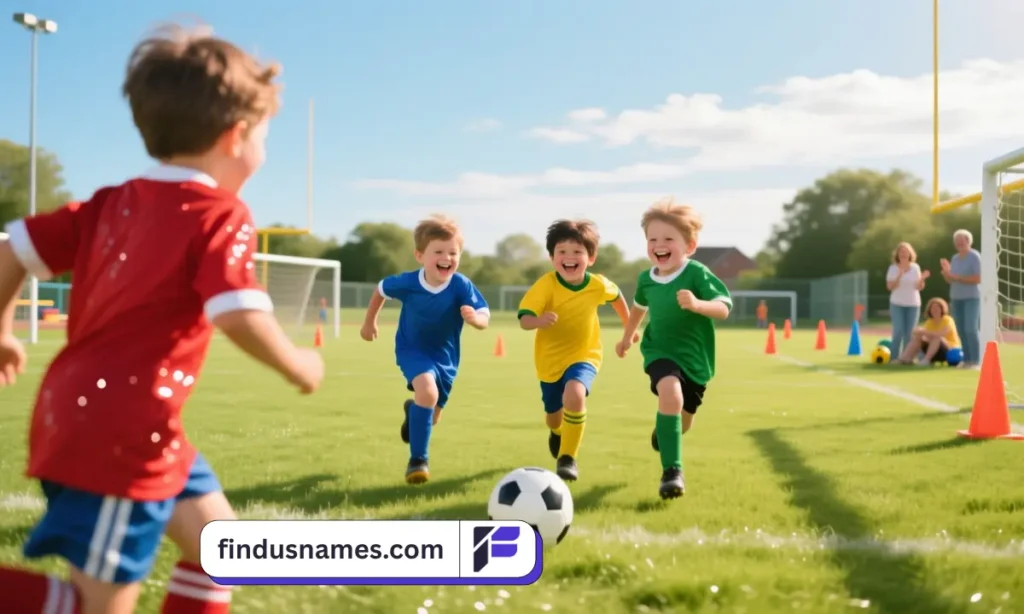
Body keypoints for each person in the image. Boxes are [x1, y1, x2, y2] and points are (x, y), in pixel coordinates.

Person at [0, 23, 325, 614]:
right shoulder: (219, 213)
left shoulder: (107, 203)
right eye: (266, 137)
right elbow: (237, 311)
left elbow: (9, 249)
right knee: (95, 609)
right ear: (238, 136)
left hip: (120, 422)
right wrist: (300, 363)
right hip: (123, 431)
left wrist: (0, 331)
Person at [615, 199, 732, 500]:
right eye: (652, 239)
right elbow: (639, 309)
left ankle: (665, 435)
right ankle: (672, 472)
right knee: (671, 393)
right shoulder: (646, 279)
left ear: (689, 246)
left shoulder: (696, 274)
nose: (659, 245)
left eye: (668, 239)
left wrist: (697, 304)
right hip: (659, 351)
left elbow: (723, 308)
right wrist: (628, 336)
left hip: (695, 359)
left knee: (685, 418)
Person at [360, 214, 490, 484]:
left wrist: (476, 320)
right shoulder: (408, 283)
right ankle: (418, 461)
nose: (447, 257)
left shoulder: (460, 285)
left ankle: (413, 413)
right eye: (439, 251)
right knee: (427, 391)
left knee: (432, 415)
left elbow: (483, 314)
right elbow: (381, 290)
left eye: (453, 252)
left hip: (446, 357)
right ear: (420, 255)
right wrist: (369, 323)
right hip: (412, 349)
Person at [517, 219, 634, 481]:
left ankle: (568, 459)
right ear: (552, 257)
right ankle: (557, 433)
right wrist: (538, 321)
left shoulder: (597, 285)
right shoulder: (546, 285)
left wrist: (629, 327)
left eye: (577, 252)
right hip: (549, 361)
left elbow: (616, 297)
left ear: (590, 258)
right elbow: (524, 319)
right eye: (562, 252)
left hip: (585, 355)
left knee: (575, 393)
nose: (570, 258)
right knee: (553, 417)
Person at [940, 229, 982, 368]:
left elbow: (978, 278)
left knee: (971, 328)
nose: (959, 243)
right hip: (956, 298)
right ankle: (967, 360)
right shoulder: (955, 258)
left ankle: (976, 360)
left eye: (961, 240)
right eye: (956, 241)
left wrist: (957, 277)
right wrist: (946, 273)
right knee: (961, 330)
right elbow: (950, 280)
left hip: (972, 298)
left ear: (968, 241)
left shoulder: (975, 256)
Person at [886, 242, 930, 358]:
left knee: (910, 333)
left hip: (913, 304)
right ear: (897, 254)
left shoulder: (915, 267)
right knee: (898, 330)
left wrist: (922, 279)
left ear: (910, 254)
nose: (903, 254)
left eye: (906, 251)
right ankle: (894, 357)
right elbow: (890, 287)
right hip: (897, 303)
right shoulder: (893, 268)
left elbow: (918, 287)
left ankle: (906, 358)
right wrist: (899, 275)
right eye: (901, 251)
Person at [892, 297, 961, 365]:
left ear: (942, 309)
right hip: (933, 349)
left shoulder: (947, 320)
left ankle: (926, 360)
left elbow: (942, 333)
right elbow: (925, 336)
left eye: (937, 308)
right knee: (918, 337)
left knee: (937, 338)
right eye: (933, 308)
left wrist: (924, 332)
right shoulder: (929, 322)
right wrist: (918, 332)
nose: (935, 310)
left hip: (949, 351)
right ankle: (905, 359)